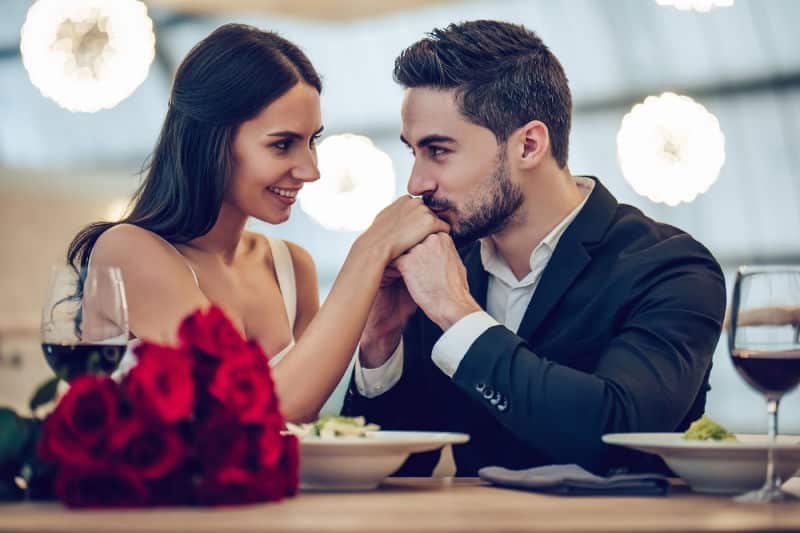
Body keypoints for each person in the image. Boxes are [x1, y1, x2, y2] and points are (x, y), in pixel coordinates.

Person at [342, 20, 726, 476]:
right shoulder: (441, 263)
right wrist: (380, 339)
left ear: (528, 145)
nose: (416, 183)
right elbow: (398, 473)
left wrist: (458, 315)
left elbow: (619, 435)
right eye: (414, 152)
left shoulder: (672, 268)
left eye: (439, 151)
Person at [67, 24, 448, 423]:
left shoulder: (291, 267)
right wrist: (368, 255)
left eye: (311, 141)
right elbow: (255, 416)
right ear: (212, 141)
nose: (310, 170)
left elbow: (301, 428)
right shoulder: (128, 250)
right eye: (282, 144)